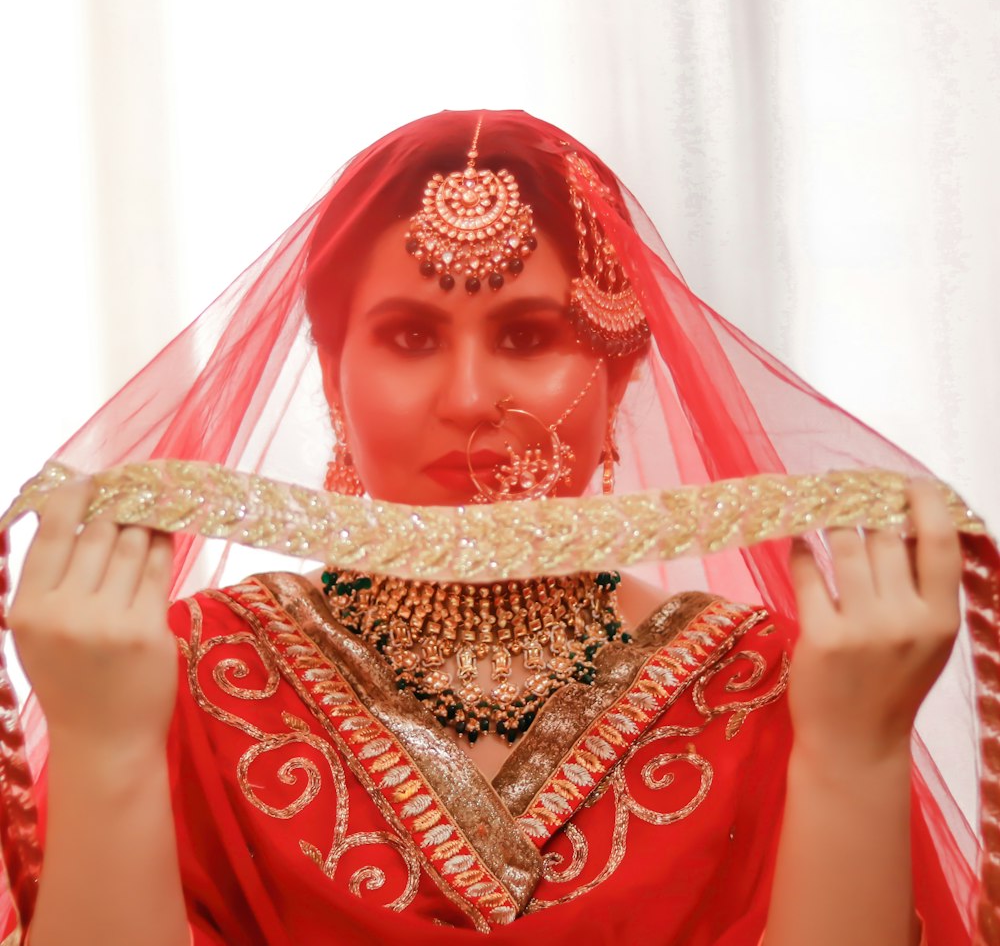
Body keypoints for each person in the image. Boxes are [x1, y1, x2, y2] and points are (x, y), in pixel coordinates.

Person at [0, 110, 994, 946]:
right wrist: (105, 749)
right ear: (332, 370)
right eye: (409, 337)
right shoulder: (184, 677)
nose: (471, 397)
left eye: (527, 335)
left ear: (622, 369)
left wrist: (854, 757)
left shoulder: (767, 687)